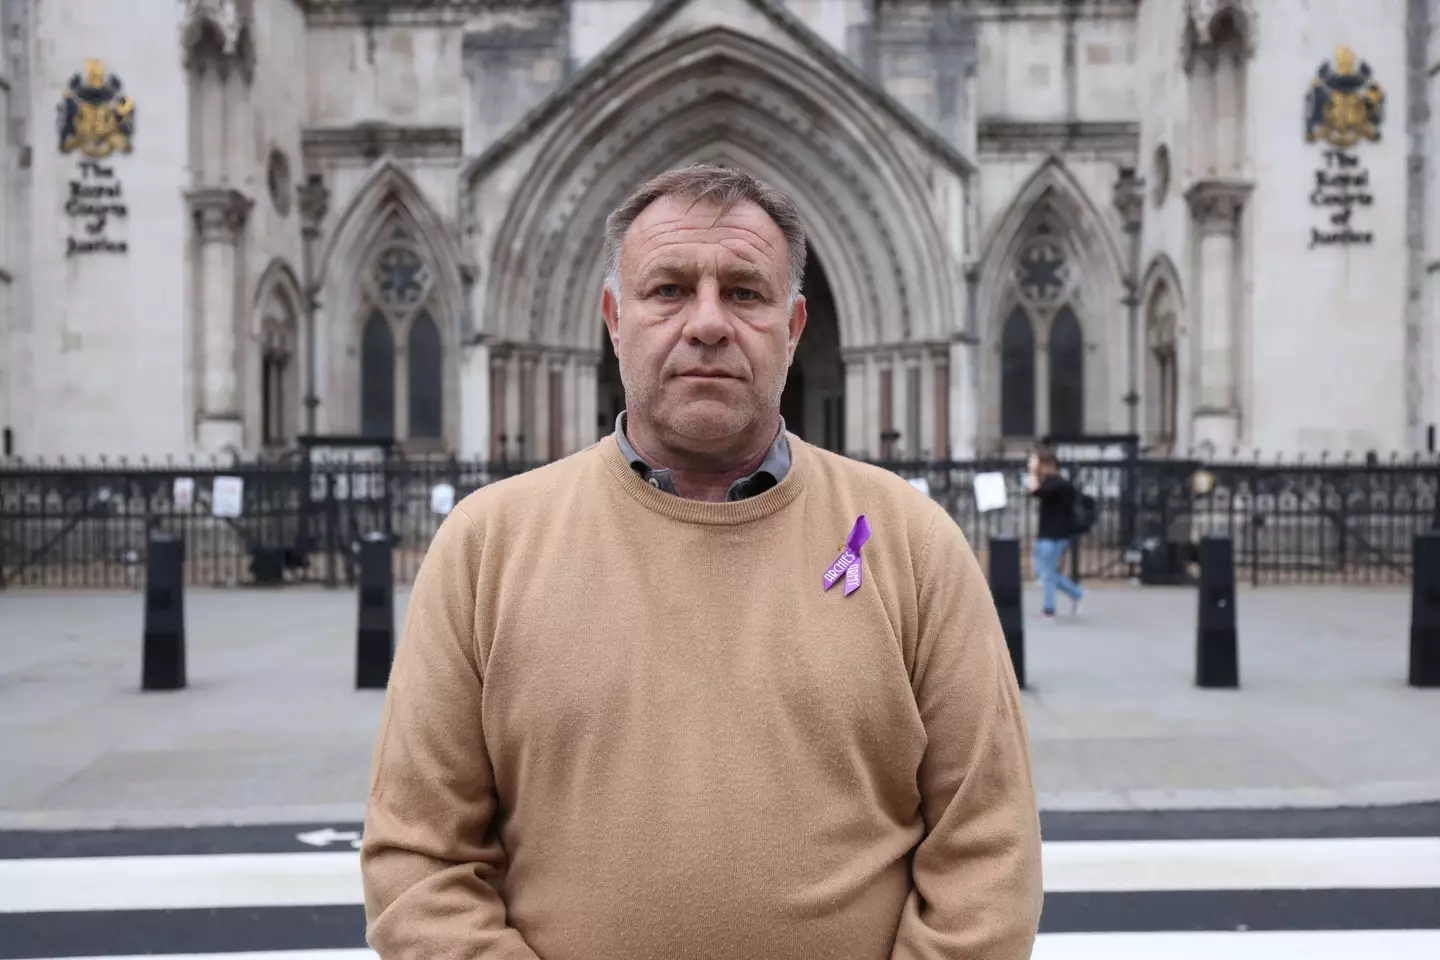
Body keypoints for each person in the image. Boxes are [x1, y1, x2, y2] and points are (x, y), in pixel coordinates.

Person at [360, 163, 1043, 960]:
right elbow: (418, 861)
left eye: (746, 292)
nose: (708, 323)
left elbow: (988, 850)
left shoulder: (911, 541)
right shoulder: (487, 546)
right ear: (614, 318)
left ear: (793, 328)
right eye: (669, 290)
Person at [1025, 445, 1085, 618]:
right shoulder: (1053, 484)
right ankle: (1076, 593)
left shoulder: (1058, 485)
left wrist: (1032, 472)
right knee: (1044, 572)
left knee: (1047, 573)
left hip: (1054, 536)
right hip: (1049, 535)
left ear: (1048, 464)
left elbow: (1036, 491)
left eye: (1039, 464)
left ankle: (1050, 608)